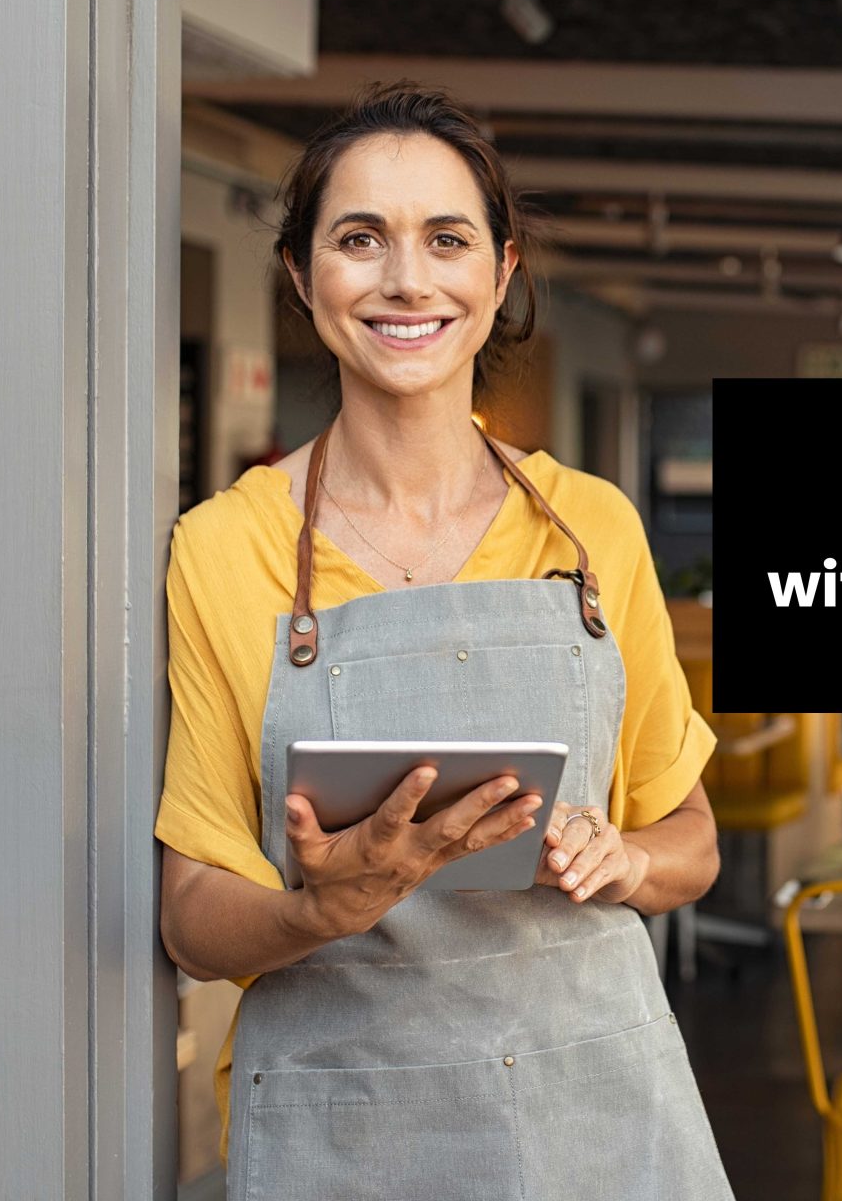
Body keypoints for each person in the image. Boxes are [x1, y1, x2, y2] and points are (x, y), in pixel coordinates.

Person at [153, 83, 732, 1197]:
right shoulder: (225, 548)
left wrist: (629, 858)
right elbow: (191, 917)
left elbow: (690, 833)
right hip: (348, 1125)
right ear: (300, 274)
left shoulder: (591, 527)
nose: (406, 279)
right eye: (359, 238)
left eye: (447, 239)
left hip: (591, 1109)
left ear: (500, 272)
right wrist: (322, 904)